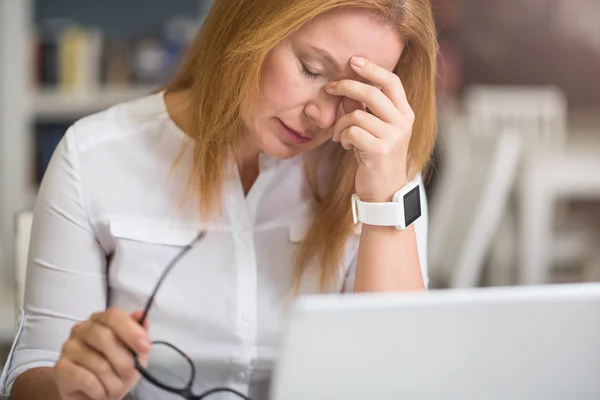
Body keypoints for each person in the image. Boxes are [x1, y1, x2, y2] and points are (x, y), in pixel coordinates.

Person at [0, 0, 438, 399]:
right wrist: (70, 383)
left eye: (354, 93)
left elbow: (400, 383)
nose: (322, 116)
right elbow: (32, 372)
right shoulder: (94, 156)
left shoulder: (380, 168)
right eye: (310, 68)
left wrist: (385, 198)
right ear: (246, 26)